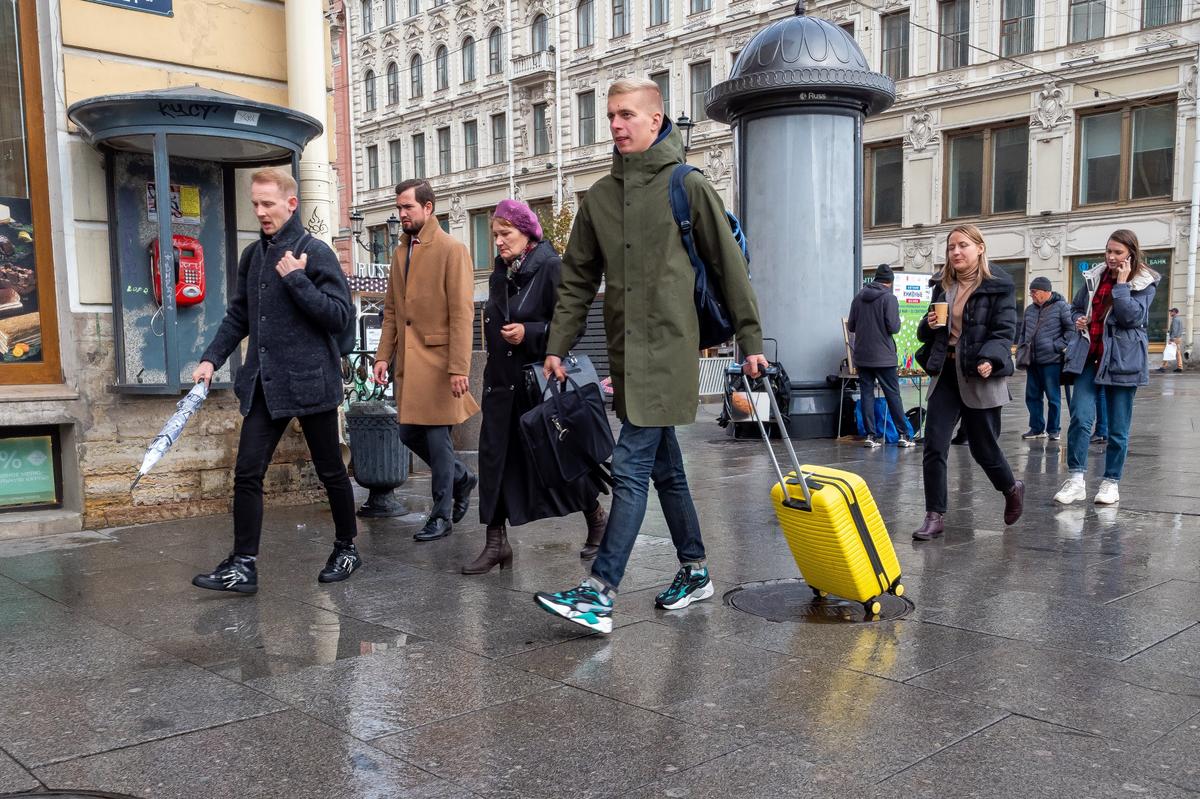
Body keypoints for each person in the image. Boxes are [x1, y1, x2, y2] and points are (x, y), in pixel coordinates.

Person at [532, 77, 766, 634]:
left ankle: (600, 591)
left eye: (628, 114)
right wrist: (557, 346)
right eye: (611, 115)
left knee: (632, 466)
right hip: (624, 354)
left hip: (669, 351)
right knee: (666, 468)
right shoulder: (599, 198)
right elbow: (577, 280)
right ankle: (695, 568)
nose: (616, 124)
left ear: (656, 120)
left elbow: (731, 269)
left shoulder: (689, 186)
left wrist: (751, 342)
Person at [190, 168, 359, 593]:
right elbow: (239, 317)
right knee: (247, 472)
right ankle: (243, 564)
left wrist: (296, 278)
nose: (260, 212)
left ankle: (347, 547)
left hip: (310, 381)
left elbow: (340, 317)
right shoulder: (252, 256)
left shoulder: (314, 251)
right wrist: (211, 359)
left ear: (291, 203)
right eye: (256, 204)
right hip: (265, 383)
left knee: (331, 471)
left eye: (268, 203)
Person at [462, 199, 608, 575]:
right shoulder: (499, 274)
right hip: (500, 386)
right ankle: (496, 543)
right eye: (494, 234)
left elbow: (572, 326)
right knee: (494, 461)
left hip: (536, 385)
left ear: (527, 233)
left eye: (505, 233)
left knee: (555, 461)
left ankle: (596, 518)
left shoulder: (550, 268)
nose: (498, 241)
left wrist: (532, 332)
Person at [373, 179, 479, 541]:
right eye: (399, 208)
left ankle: (441, 514)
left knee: (437, 439)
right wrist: (382, 355)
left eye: (408, 208)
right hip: (409, 364)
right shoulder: (400, 253)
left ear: (428, 208)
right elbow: (391, 311)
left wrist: (458, 368)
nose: (402, 214)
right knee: (407, 432)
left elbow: (462, 314)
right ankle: (462, 478)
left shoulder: (452, 249)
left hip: (439, 362)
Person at [913, 224, 1023, 540]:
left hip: (979, 374)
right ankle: (934, 515)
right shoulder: (942, 284)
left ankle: (1012, 488)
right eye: (951, 247)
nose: (956, 252)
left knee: (983, 448)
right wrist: (928, 323)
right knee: (934, 445)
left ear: (979, 248)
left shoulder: (998, 285)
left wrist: (990, 358)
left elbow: (1004, 332)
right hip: (946, 373)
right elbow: (928, 330)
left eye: (962, 245)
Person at [1055, 229, 1159, 506]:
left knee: (1117, 428)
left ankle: (1111, 482)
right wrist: (1079, 318)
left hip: (1123, 360)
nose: (1111, 257)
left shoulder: (1145, 282)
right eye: (1108, 251)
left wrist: (1122, 284)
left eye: (1118, 253)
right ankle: (1076, 479)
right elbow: (1074, 307)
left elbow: (1132, 318)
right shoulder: (1095, 276)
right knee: (1080, 417)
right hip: (1090, 356)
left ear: (1131, 255)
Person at [847, 264, 915, 449]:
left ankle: (870, 436)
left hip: (862, 355)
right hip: (884, 356)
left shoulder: (858, 298)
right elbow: (893, 327)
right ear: (890, 282)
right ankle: (904, 434)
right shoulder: (889, 298)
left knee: (866, 394)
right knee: (893, 395)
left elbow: (851, 326)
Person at [1018, 276, 1074, 441]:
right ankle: (1036, 428)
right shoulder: (1030, 310)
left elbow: (1071, 331)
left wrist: (1056, 346)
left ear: (1045, 291)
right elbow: (1023, 332)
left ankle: (1053, 429)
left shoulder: (1062, 307)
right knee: (1032, 396)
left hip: (1052, 361)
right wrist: (1022, 347)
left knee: (1053, 397)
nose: (1031, 295)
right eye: (1031, 291)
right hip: (1032, 360)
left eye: (1034, 291)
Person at [1158, 307, 1184, 373]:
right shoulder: (1179, 319)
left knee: (1167, 351)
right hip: (1178, 338)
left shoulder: (1175, 320)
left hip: (1174, 338)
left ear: (1175, 312)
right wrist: (1169, 331)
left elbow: (1175, 330)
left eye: (1171, 312)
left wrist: (1171, 339)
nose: (1170, 313)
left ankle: (1163, 367)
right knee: (1178, 353)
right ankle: (1180, 367)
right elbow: (1178, 329)